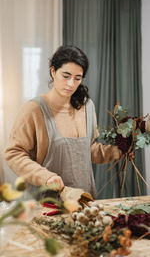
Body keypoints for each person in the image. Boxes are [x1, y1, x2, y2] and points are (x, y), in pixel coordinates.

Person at [4, 46, 122, 200]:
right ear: (53, 71)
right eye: (66, 76)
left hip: (85, 201)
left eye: (77, 78)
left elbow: (88, 149)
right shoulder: (33, 110)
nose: (71, 84)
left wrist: (118, 151)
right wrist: (45, 177)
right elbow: (14, 154)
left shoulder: (87, 107)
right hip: (47, 204)